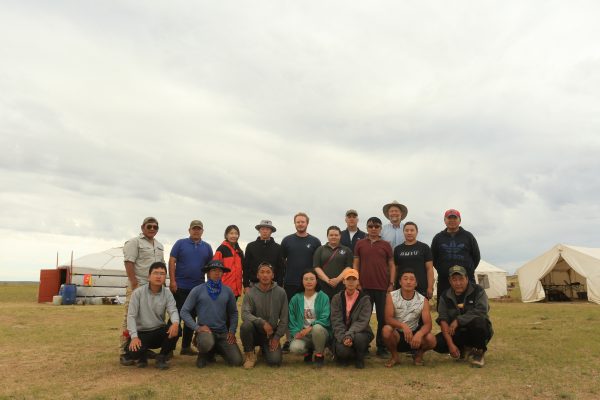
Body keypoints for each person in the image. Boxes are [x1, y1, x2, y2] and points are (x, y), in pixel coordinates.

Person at [120, 216, 165, 365]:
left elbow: (161, 265)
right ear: (142, 227)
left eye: (155, 227)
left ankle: (143, 348)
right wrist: (134, 283)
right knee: (130, 316)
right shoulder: (134, 242)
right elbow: (129, 262)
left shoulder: (159, 245)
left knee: (150, 317)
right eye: (149, 226)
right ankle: (124, 351)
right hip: (138, 285)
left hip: (155, 287)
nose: (152, 229)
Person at [180, 260, 243, 368]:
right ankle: (204, 353)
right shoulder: (197, 290)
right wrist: (197, 328)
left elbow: (233, 313)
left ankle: (216, 350)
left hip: (222, 332)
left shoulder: (228, 291)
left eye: (220, 270)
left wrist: (232, 331)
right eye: (214, 270)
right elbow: (184, 311)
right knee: (206, 342)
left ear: (223, 273)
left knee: (237, 361)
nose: (217, 273)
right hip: (206, 332)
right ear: (208, 273)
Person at [168, 219, 213, 356]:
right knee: (175, 316)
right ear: (189, 230)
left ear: (202, 231)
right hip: (180, 287)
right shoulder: (180, 243)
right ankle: (168, 348)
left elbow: (210, 268)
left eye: (199, 229)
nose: (196, 231)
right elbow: (172, 261)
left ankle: (186, 347)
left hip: (198, 288)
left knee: (191, 318)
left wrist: (209, 285)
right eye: (194, 229)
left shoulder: (207, 247)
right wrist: (172, 281)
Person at [434, 265, 493, 368]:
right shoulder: (445, 295)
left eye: (461, 279)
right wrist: (450, 344)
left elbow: (482, 310)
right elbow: (443, 319)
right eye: (454, 279)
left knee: (479, 322)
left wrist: (458, 320)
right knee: (436, 343)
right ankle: (464, 349)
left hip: (477, 330)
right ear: (449, 281)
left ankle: (479, 352)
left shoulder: (478, 290)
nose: (458, 283)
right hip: (457, 332)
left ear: (467, 278)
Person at [353, 216, 395, 358]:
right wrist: (357, 282)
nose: (373, 229)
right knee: (363, 319)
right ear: (366, 228)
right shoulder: (360, 244)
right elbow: (356, 264)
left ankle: (381, 347)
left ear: (380, 228)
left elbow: (391, 265)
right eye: (370, 226)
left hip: (383, 287)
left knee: (383, 318)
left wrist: (391, 283)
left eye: (376, 226)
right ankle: (364, 346)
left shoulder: (386, 245)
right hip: (364, 287)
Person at [124, 262, 179, 369]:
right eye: (155, 273)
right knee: (134, 353)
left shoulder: (167, 294)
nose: (159, 276)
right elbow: (131, 316)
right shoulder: (138, 293)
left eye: (162, 274)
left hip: (158, 331)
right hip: (141, 333)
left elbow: (173, 311)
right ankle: (143, 354)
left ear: (165, 278)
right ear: (149, 277)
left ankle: (162, 357)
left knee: (177, 329)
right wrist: (134, 337)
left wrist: (176, 323)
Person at [281, 212, 321, 351]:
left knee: (310, 311)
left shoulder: (315, 241)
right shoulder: (287, 241)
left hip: (309, 284)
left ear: (307, 223)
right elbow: (282, 261)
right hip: (291, 282)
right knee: (290, 312)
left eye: (303, 222)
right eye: (298, 222)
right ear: (294, 223)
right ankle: (289, 340)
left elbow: (317, 263)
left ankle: (312, 339)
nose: (300, 224)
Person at [382, 269, 436, 367]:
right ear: (400, 282)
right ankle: (395, 356)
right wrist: (402, 326)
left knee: (431, 339)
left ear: (416, 283)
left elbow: (428, 324)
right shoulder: (391, 296)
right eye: (405, 279)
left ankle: (418, 355)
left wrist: (419, 334)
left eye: (411, 279)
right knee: (386, 330)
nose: (408, 282)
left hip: (414, 336)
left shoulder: (423, 300)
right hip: (397, 334)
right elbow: (388, 319)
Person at [240, 262, 288, 368]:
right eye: (262, 272)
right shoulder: (250, 293)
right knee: (245, 326)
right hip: (255, 332)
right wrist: (262, 322)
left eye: (268, 272)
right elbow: (244, 314)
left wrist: (276, 337)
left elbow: (284, 318)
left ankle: (264, 349)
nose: (265, 275)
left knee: (275, 361)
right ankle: (250, 354)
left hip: (270, 334)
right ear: (257, 275)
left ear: (273, 275)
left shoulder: (281, 292)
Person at [431, 209, 481, 298]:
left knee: (469, 304)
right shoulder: (438, 238)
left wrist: (468, 271)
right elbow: (433, 258)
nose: (452, 220)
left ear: (460, 220)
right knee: (444, 304)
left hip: (466, 280)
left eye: (455, 218)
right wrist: (442, 269)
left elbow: (476, 257)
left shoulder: (468, 236)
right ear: (445, 220)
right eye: (449, 218)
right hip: (444, 280)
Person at [329, 269, 373, 369]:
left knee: (359, 339)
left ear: (358, 282)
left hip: (360, 332)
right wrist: (344, 338)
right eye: (348, 279)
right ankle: (346, 355)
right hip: (342, 333)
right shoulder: (336, 298)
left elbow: (362, 321)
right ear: (343, 281)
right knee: (342, 351)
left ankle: (359, 357)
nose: (351, 282)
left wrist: (349, 335)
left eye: (354, 279)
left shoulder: (365, 299)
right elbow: (336, 321)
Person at [288, 269, 331, 368]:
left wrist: (310, 327)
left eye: (312, 279)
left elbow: (325, 317)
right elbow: (291, 318)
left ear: (316, 281)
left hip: (320, 333)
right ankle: (308, 352)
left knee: (317, 328)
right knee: (295, 348)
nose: (309, 281)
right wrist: (296, 332)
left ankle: (319, 355)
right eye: (306, 279)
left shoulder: (323, 297)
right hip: (303, 333)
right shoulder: (295, 298)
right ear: (302, 281)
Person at [393, 222, 434, 299]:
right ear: (403, 232)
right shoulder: (397, 249)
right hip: (402, 288)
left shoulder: (424, 247)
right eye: (406, 230)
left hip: (421, 288)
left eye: (412, 230)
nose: (409, 233)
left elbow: (429, 269)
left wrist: (430, 287)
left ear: (417, 232)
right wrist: (393, 285)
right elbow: (395, 269)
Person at [313, 226, 354, 299]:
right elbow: (316, 267)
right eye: (331, 235)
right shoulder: (320, 249)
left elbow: (348, 267)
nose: (333, 237)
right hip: (323, 286)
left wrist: (337, 280)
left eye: (336, 235)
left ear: (340, 236)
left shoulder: (347, 250)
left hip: (341, 286)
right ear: (327, 236)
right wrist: (328, 280)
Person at [243, 220, 284, 291]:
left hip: (273, 286)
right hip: (254, 285)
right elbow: (246, 267)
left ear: (271, 231)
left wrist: (279, 286)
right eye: (262, 229)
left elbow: (281, 268)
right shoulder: (251, 246)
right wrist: (246, 285)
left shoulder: (278, 248)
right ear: (259, 230)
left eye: (267, 229)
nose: (265, 231)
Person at [213, 224, 244, 299]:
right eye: (231, 233)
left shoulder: (239, 251)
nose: (234, 236)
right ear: (226, 235)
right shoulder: (221, 250)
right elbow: (214, 269)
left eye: (236, 233)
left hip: (236, 290)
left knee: (233, 307)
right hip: (223, 288)